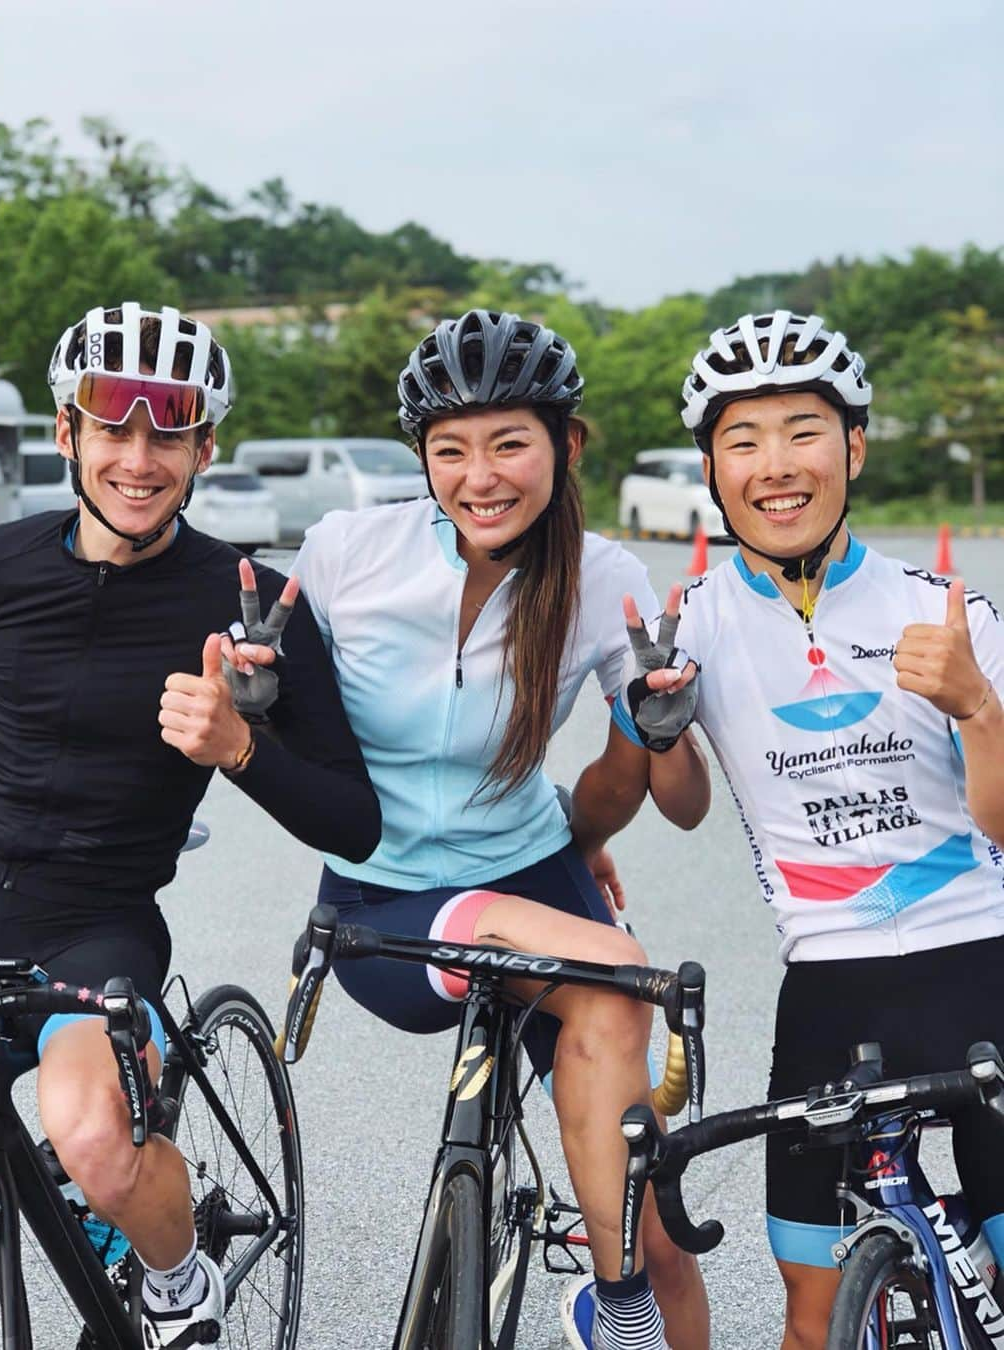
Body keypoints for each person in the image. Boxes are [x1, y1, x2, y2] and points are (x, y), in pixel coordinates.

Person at [0, 302, 380, 1347]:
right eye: (112, 427)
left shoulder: (252, 603)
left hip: (98, 923)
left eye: (166, 431)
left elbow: (353, 823)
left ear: (204, 445)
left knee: (93, 1141)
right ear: (66, 431)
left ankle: (177, 1278)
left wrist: (239, 749)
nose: (138, 458)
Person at [292, 308, 712, 1350]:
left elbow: (685, 801)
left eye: (510, 443)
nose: (481, 476)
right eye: (450, 450)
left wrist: (654, 732)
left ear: (565, 445)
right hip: (388, 897)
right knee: (619, 966)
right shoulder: (347, 553)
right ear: (422, 458)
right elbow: (289, 739)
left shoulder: (606, 577)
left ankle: (621, 1305)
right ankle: (617, 1304)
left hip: (538, 884)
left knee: (658, 1235)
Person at [614, 310, 1004, 1349]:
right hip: (829, 978)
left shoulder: (945, 611)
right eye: (743, 440)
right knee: (811, 1315)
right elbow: (686, 805)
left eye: (803, 431)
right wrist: (660, 736)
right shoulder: (691, 621)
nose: (775, 465)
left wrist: (978, 707)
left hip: (982, 961)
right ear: (712, 468)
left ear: (854, 449)